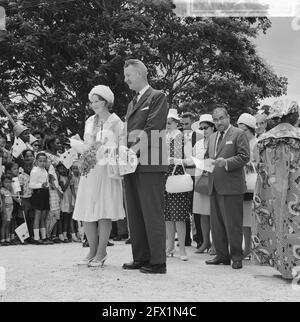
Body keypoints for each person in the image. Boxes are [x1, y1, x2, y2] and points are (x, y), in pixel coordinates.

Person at [122, 59, 168, 274]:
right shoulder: (132, 103)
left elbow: (153, 128)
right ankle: (141, 257)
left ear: (141, 74)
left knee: (151, 212)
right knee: (135, 212)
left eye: (129, 75)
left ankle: (158, 262)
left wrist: (132, 151)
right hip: (131, 164)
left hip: (150, 162)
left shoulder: (157, 96)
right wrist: (123, 154)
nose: (126, 79)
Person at [72, 85, 125, 267]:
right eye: (92, 101)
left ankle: (102, 252)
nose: (93, 104)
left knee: (104, 211)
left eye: (97, 101)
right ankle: (92, 250)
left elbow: (121, 147)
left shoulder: (116, 122)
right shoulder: (88, 121)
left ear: (105, 101)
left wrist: (106, 150)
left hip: (106, 170)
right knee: (86, 211)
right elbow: (87, 144)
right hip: (90, 170)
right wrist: (80, 146)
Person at [252, 99, 300, 280]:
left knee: (273, 220)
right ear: (295, 116)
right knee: (293, 223)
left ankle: (282, 266)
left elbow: (258, 165)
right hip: (295, 188)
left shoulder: (264, 139)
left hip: (270, 189)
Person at [205, 107, 250, 269]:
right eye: (215, 120)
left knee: (233, 224)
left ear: (228, 117)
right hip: (214, 185)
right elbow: (208, 157)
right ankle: (222, 255)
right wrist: (200, 163)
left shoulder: (239, 134)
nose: (218, 122)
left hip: (232, 186)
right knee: (216, 224)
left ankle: (237, 256)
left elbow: (244, 157)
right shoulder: (212, 137)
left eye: (221, 118)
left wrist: (227, 163)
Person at [164, 109, 192, 261]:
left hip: (177, 174)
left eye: (169, 122)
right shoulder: (164, 136)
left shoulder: (181, 137)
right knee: (167, 214)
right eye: (166, 123)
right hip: (165, 174)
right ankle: (170, 246)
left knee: (179, 214)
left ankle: (182, 248)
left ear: (176, 123)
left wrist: (175, 161)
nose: (167, 125)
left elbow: (190, 159)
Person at [189, 114, 216, 254]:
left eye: (206, 127)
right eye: (201, 128)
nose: (203, 130)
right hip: (200, 180)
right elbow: (193, 161)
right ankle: (205, 241)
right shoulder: (198, 144)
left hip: (214, 180)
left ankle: (216, 244)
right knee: (202, 214)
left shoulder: (218, 140)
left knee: (214, 214)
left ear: (213, 127)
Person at [237, 113, 258, 259]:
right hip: (241, 183)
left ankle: (253, 248)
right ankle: (247, 248)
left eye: (243, 129)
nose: (241, 132)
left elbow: (262, 163)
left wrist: (250, 164)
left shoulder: (257, 143)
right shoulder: (240, 142)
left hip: (254, 184)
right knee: (244, 218)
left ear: (251, 129)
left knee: (253, 218)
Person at [181, 112, 202, 248]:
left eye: (186, 124)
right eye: (182, 124)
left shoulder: (199, 137)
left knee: (196, 209)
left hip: (195, 175)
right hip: (182, 175)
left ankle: (199, 237)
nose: (184, 127)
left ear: (193, 123)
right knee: (183, 207)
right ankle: (185, 239)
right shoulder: (178, 137)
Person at [29, 152, 51, 245]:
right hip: (38, 193)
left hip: (45, 193)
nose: (42, 163)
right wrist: (41, 185)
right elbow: (31, 185)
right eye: (40, 161)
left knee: (44, 216)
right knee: (38, 216)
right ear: (36, 161)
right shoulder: (34, 171)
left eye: (44, 161)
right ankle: (36, 237)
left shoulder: (45, 170)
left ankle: (44, 237)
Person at [0, 174, 14, 246]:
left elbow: (13, 197)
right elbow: (2, 202)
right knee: (4, 224)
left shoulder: (9, 190)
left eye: (9, 182)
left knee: (8, 224)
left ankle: (7, 239)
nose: (8, 184)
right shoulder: (2, 191)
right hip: (6, 209)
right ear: (2, 182)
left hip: (10, 210)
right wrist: (4, 212)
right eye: (6, 182)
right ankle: (2, 240)